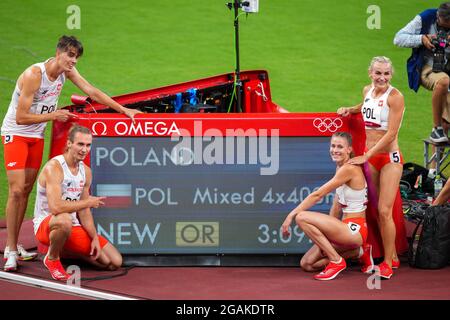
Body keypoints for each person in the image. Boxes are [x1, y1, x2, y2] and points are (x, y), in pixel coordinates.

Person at [1, 35, 141, 271]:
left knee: (26, 191)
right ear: (59, 53)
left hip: (36, 136)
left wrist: (124, 110)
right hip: (16, 133)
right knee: (15, 190)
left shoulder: (65, 73)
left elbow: (92, 91)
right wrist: (53, 116)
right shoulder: (34, 75)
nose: (73, 61)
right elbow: (20, 117)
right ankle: (11, 249)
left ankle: (17, 247)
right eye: (70, 55)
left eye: (76, 57)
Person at [337, 56, 404, 279]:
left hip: (388, 159)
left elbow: (391, 133)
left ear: (391, 75)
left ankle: (387, 262)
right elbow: (365, 106)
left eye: (386, 73)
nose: (382, 77)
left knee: (385, 210)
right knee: (375, 209)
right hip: (371, 158)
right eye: (378, 73)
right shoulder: (367, 90)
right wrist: (350, 109)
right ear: (370, 73)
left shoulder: (395, 97)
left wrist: (368, 154)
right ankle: (391, 254)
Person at [33, 125, 122, 281]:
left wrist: (94, 237)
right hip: (47, 225)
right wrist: (87, 202)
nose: (84, 149)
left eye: (88, 145)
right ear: (69, 143)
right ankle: (52, 258)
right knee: (64, 219)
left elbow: (84, 211)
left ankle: (67, 251)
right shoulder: (54, 168)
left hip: (72, 226)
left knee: (113, 262)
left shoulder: (86, 171)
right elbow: (56, 207)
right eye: (80, 144)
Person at [281, 132, 373, 281]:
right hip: (343, 228)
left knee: (301, 217)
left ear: (349, 149)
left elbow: (317, 195)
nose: (335, 150)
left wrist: (290, 215)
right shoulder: (340, 168)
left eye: (340, 147)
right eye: (333, 146)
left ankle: (336, 261)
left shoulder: (348, 169)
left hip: (355, 229)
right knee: (307, 264)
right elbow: (336, 206)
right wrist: (329, 233)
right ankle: (359, 252)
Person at [393, 2, 450, 144]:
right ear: (438, 16)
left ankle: (433, 167)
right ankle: (436, 129)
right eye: (445, 23)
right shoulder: (425, 17)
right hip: (427, 68)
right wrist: (421, 39)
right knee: (443, 80)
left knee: (447, 123)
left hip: (447, 69)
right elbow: (398, 38)